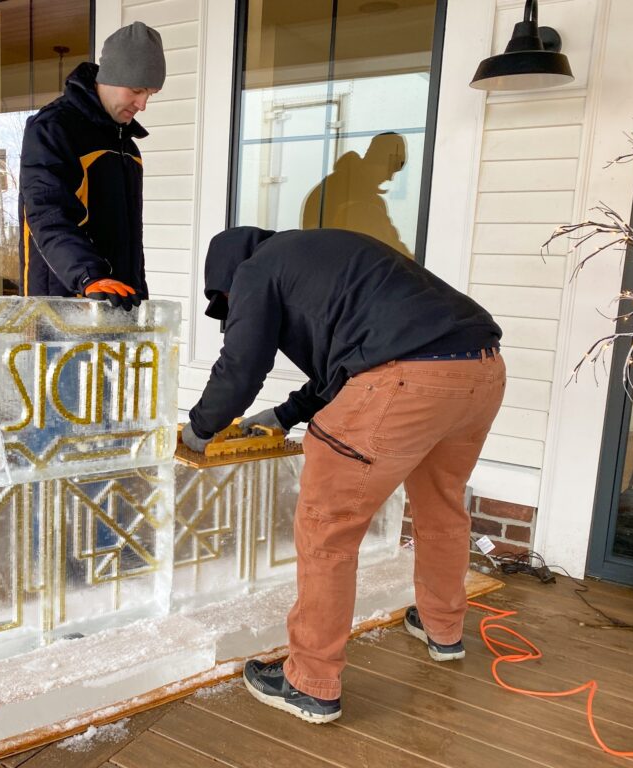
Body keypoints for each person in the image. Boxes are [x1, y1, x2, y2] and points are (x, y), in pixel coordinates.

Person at [181, 227, 505, 724]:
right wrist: (286, 415)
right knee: (441, 504)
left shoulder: (254, 270)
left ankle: (309, 682)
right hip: (481, 371)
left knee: (327, 526)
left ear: (228, 275)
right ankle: (444, 629)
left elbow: (242, 365)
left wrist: (200, 430)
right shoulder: (324, 254)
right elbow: (355, 357)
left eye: (227, 303)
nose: (232, 307)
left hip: (407, 379)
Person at [19, 21, 166, 310]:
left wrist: (138, 293)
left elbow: (129, 242)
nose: (142, 104)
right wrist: (90, 276)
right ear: (110, 77)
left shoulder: (127, 147)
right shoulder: (53, 129)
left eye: (150, 93)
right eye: (136, 90)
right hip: (65, 301)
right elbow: (48, 213)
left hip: (117, 299)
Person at [301, 133, 412, 257]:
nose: (390, 178)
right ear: (378, 161)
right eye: (390, 170)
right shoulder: (360, 200)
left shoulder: (332, 187)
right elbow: (390, 249)